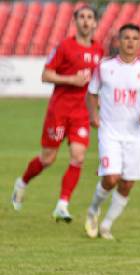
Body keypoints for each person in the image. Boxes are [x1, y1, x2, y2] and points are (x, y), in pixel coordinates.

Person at [11, 5, 103, 221]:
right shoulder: (64, 47)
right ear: (76, 21)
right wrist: (71, 79)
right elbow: (46, 75)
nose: (86, 21)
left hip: (81, 112)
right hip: (59, 111)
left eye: (90, 17)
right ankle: (22, 182)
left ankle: (62, 205)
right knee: (48, 158)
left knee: (78, 157)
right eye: (82, 17)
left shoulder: (99, 50)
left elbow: (98, 84)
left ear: (95, 23)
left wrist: (96, 110)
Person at [83, 24, 140, 240]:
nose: (130, 42)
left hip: (135, 135)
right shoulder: (105, 67)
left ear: (139, 42)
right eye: (126, 37)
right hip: (109, 131)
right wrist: (93, 115)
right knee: (111, 179)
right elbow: (91, 93)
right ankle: (92, 211)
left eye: (134, 38)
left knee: (127, 183)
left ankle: (106, 225)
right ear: (118, 41)